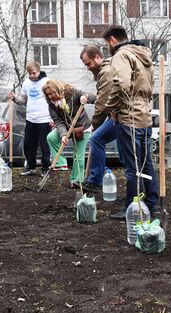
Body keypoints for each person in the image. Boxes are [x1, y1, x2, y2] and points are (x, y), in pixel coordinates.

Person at [103, 25, 158, 217]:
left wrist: (111, 107)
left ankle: (132, 207)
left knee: (132, 166)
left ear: (112, 40)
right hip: (145, 115)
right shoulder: (143, 55)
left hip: (128, 116)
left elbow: (122, 84)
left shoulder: (121, 55)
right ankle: (152, 203)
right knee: (146, 162)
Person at [78, 45, 118, 195]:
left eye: (88, 63)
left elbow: (103, 102)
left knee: (96, 138)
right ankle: (95, 179)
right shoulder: (104, 71)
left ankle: (96, 181)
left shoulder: (106, 72)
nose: (88, 68)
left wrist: (95, 124)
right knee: (98, 140)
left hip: (121, 116)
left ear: (97, 57)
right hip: (115, 115)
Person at [43, 79, 95, 188]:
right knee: (51, 137)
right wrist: (63, 135)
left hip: (81, 128)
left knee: (78, 155)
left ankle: (77, 181)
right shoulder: (51, 104)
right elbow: (58, 121)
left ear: (57, 89)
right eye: (48, 94)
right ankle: (61, 163)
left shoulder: (72, 93)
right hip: (67, 129)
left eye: (51, 93)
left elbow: (93, 97)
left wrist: (85, 98)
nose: (50, 96)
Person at [8, 61, 53, 176]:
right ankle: (31, 167)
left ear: (39, 70)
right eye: (30, 73)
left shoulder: (46, 82)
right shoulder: (26, 83)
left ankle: (45, 168)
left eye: (34, 73)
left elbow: (53, 100)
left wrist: (53, 118)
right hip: (30, 119)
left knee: (44, 145)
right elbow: (23, 100)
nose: (32, 75)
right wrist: (14, 98)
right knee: (28, 144)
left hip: (44, 119)